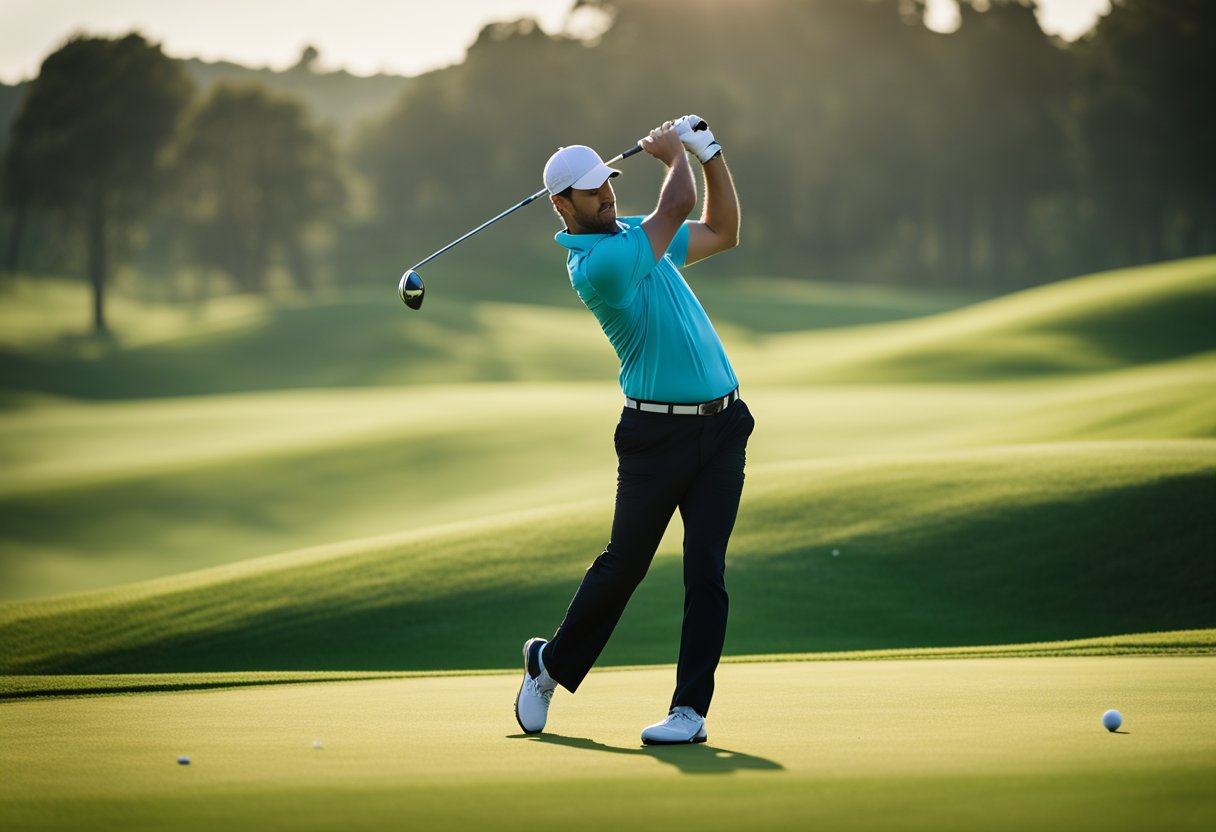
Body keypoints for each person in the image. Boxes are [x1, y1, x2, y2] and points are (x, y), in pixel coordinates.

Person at [514, 117, 754, 746]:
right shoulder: (600, 265)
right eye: (593, 192)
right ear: (561, 205)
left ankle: (689, 712)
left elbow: (723, 232)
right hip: (655, 436)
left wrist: (712, 157)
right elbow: (675, 204)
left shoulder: (630, 235)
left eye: (608, 183)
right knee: (625, 565)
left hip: (724, 426)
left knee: (706, 568)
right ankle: (549, 666)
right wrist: (675, 154)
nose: (608, 195)